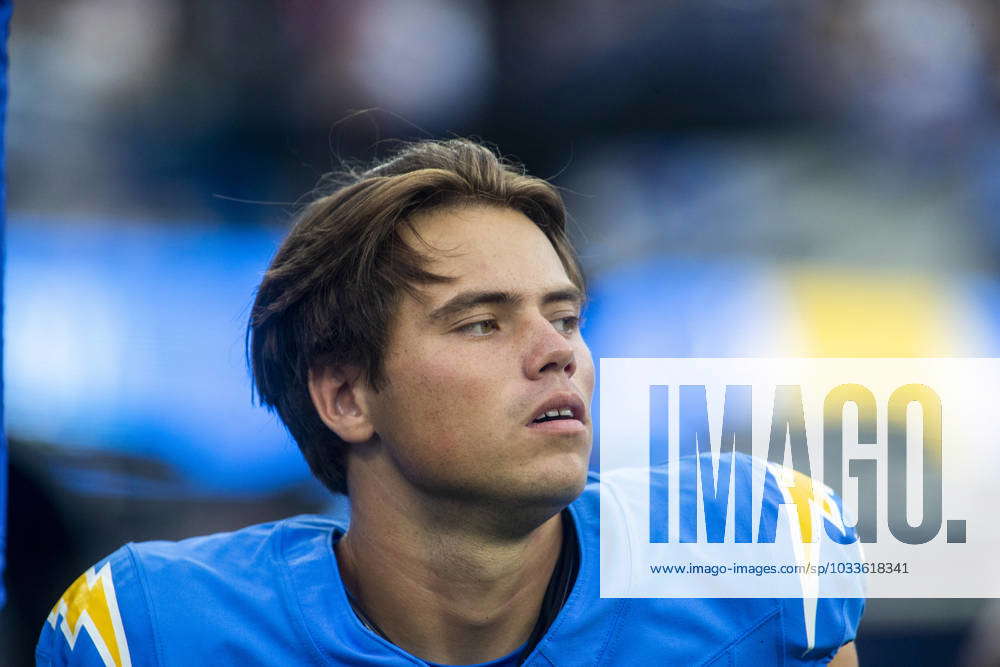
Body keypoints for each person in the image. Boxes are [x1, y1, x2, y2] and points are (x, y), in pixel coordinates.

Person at [37, 139, 862, 666]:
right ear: (347, 396)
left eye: (566, 316)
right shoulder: (150, 632)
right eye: (481, 322)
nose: (558, 351)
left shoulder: (757, 552)